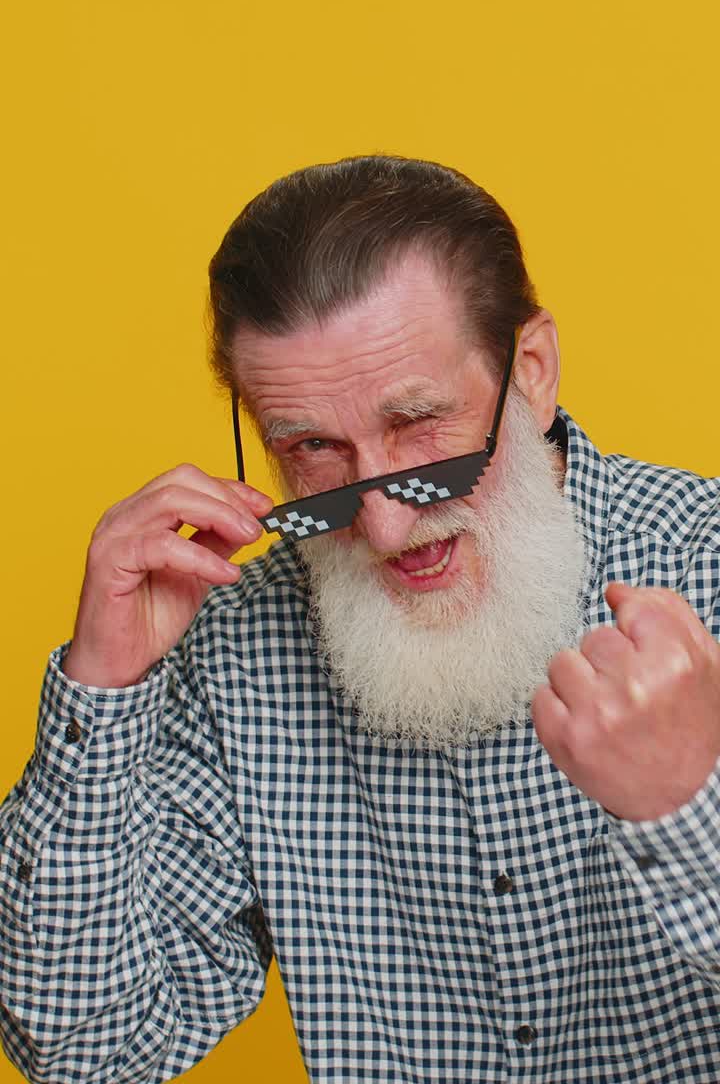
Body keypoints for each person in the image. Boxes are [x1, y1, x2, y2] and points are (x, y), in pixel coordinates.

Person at [1, 155, 719, 1084]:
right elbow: (86, 1051)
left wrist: (686, 811)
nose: (381, 522)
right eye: (313, 450)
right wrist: (102, 692)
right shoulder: (233, 650)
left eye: (419, 424)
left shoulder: (705, 564)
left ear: (530, 373)